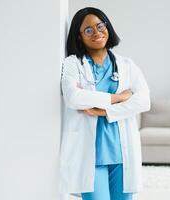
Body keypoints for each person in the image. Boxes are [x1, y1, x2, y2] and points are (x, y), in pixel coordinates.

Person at [59, 7, 150, 200]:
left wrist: (105, 112)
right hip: (91, 156)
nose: (97, 32)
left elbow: (143, 101)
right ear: (79, 36)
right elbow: (73, 97)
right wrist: (116, 98)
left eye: (100, 26)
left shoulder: (127, 65)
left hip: (122, 154)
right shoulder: (72, 64)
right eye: (88, 30)